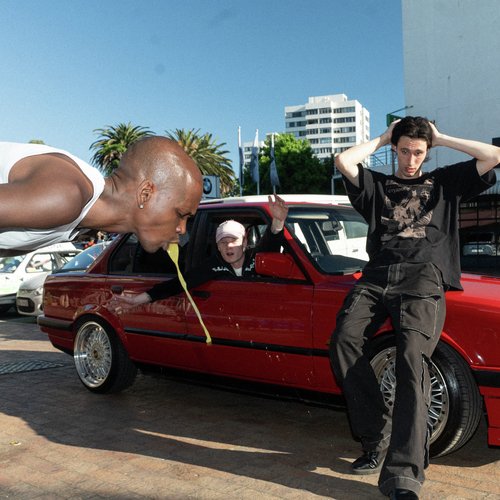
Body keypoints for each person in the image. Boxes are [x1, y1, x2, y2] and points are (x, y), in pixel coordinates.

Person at [329, 116, 499, 500]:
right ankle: (377, 435)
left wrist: (441, 138)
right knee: (343, 340)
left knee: (411, 359)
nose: (410, 160)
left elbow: (493, 155)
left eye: (418, 152)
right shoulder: (377, 185)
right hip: (377, 277)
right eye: (404, 151)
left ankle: (403, 476)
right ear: (395, 149)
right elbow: (343, 160)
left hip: (422, 279)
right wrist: (384, 136)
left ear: (427, 152)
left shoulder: (445, 182)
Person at [0, 137, 203, 257]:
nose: (182, 229)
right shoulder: (65, 195)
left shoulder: (81, 226)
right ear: (145, 194)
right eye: (180, 214)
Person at [112, 194, 288, 308]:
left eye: (233, 241)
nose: (228, 246)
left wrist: (278, 222)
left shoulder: (256, 259)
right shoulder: (213, 266)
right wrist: (137, 300)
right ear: (218, 247)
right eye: (223, 242)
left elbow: (270, 246)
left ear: (244, 243)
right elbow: (179, 284)